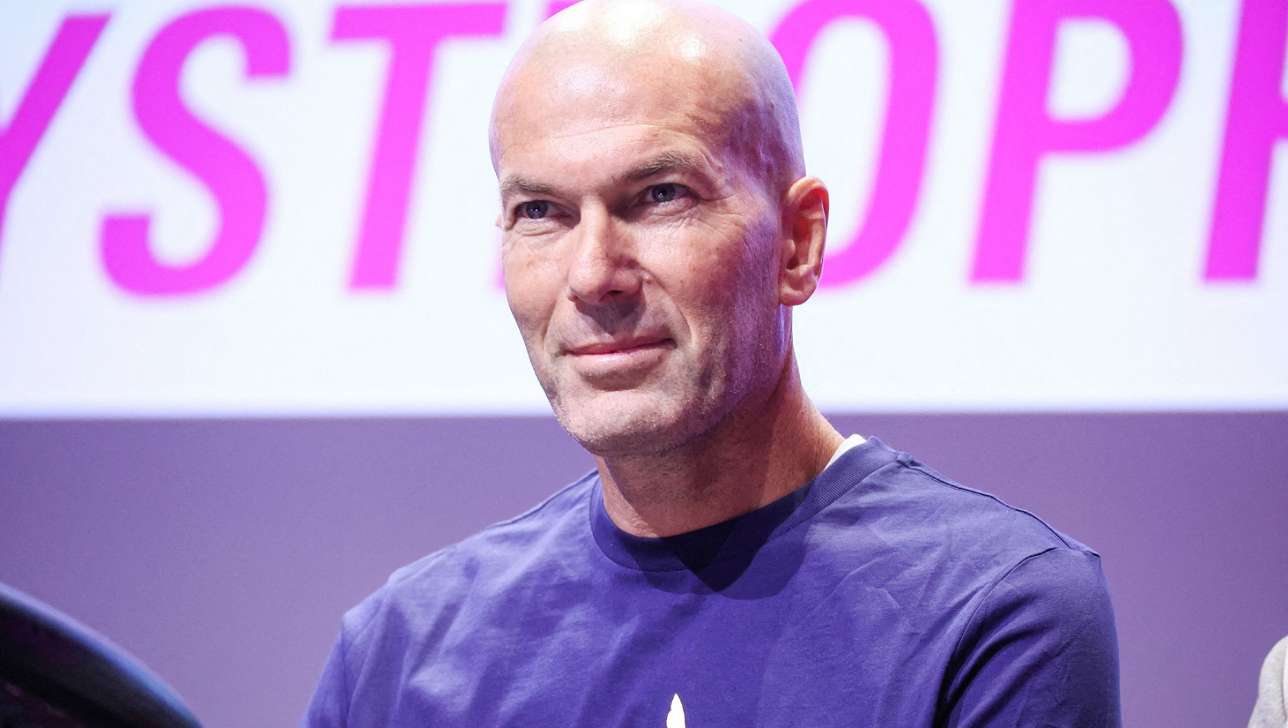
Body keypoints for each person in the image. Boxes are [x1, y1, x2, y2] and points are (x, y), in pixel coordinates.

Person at [303, 1, 1121, 725]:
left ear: (797, 243)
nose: (593, 275)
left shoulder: (993, 610)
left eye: (661, 196)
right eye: (541, 211)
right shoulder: (398, 656)